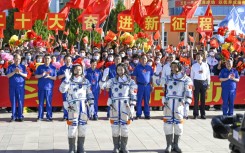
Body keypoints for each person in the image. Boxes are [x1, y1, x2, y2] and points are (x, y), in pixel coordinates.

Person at [100, 63, 137, 153]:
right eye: (118, 69)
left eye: (121, 69)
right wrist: (104, 77)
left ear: (125, 69)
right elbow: (102, 86)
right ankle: (116, 147)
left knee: (125, 128)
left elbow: (133, 94)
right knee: (115, 128)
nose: (120, 71)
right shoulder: (112, 80)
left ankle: (124, 147)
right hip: (115, 106)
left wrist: (132, 106)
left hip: (125, 106)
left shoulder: (130, 81)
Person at [59, 64, 94, 153]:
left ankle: (81, 147)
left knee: (82, 128)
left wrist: (92, 105)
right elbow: (62, 90)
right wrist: (66, 79)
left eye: (80, 69)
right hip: (73, 107)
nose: (78, 71)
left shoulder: (86, 81)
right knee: (72, 128)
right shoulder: (69, 81)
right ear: (73, 70)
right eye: (76, 69)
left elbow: (89, 93)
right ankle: (71, 148)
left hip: (83, 107)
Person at [162, 61, 193, 153]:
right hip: (169, 104)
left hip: (179, 104)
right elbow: (163, 89)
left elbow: (189, 93)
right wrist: (164, 98)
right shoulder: (167, 78)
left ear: (180, 67)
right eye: (172, 66)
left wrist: (187, 105)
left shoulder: (186, 79)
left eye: (175, 66)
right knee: (167, 125)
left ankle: (176, 144)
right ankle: (169, 145)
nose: (173, 68)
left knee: (178, 126)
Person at [35, 54, 57, 121]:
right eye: (45, 58)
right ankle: (40, 116)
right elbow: (36, 76)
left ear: (50, 60)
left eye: (48, 58)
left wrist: (49, 77)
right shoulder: (40, 67)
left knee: (49, 103)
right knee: (41, 103)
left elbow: (55, 78)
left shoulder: (53, 68)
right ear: (43, 59)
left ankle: (49, 116)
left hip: (49, 88)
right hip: (41, 88)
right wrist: (42, 75)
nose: (47, 60)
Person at [6, 54, 27, 122]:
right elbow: (8, 76)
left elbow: (26, 75)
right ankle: (14, 116)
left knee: (20, 101)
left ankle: (20, 116)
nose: (17, 60)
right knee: (13, 102)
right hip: (12, 87)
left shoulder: (23, 67)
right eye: (16, 58)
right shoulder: (10, 67)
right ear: (14, 59)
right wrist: (14, 72)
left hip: (20, 87)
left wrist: (19, 72)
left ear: (20, 60)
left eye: (19, 59)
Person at [132, 54, 153, 119]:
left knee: (147, 101)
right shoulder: (137, 67)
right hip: (140, 86)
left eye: (145, 59)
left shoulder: (149, 67)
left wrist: (152, 85)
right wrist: (135, 86)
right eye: (143, 58)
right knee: (139, 101)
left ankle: (147, 114)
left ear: (147, 60)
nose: (144, 60)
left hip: (147, 86)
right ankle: (138, 114)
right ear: (140, 60)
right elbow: (135, 77)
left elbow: (151, 77)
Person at [191, 52, 210, 119]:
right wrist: (192, 84)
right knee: (196, 99)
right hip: (196, 82)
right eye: (197, 57)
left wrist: (208, 84)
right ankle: (195, 114)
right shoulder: (194, 66)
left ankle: (203, 114)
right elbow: (192, 76)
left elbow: (208, 75)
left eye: (200, 56)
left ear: (202, 57)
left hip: (204, 82)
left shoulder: (206, 65)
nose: (198, 58)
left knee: (203, 100)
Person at [57, 54, 73, 120]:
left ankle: (71, 115)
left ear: (71, 60)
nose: (68, 61)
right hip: (64, 86)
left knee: (71, 101)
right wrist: (65, 75)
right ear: (64, 60)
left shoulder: (74, 67)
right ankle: (65, 115)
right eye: (66, 60)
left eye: (69, 60)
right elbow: (59, 77)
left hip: (72, 86)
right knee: (65, 101)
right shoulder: (62, 68)